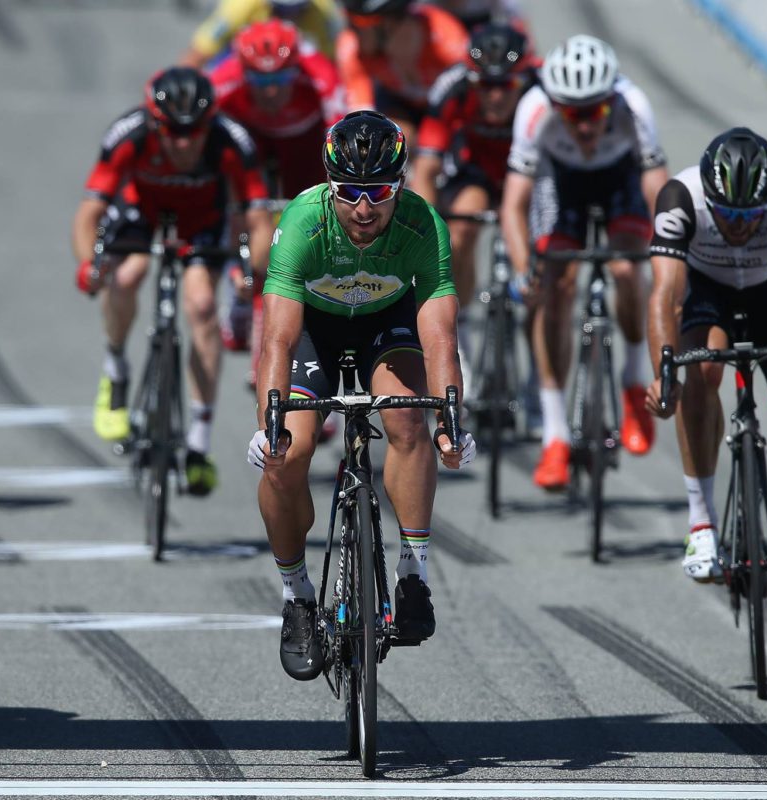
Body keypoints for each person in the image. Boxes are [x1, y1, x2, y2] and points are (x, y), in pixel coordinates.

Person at [246, 111, 474, 681]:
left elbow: (440, 335)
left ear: (400, 185)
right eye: (349, 193)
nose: (364, 209)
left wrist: (450, 420)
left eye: (378, 193)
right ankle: (297, 596)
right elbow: (276, 337)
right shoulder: (302, 221)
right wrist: (269, 423)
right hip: (314, 332)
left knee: (408, 424)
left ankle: (414, 572)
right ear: (329, 184)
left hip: (384, 325)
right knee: (287, 456)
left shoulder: (424, 226)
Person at [645, 127, 767, 591]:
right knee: (698, 376)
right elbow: (666, 298)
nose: (737, 225)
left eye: (750, 215)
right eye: (726, 213)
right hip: (707, 291)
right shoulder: (679, 196)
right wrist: (664, 374)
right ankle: (701, 526)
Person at [71, 67, 274, 497]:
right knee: (126, 276)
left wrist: (248, 269)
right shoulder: (129, 135)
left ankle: (198, 445)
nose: (184, 143)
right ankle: (116, 368)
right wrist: (90, 265)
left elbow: (257, 218)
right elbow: (89, 213)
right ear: (154, 123)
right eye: (172, 133)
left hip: (204, 218)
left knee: (201, 306)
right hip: (140, 211)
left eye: (194, 132)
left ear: (209, 124)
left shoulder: (231, 142)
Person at [500, 34, 669, 490]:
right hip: (563, 183)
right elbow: (514, 205)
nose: (586, 125)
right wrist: (523, 272)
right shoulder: (534, 109)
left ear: (610, 100)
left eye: (595, 111)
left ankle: (634, 382)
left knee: (626, 269)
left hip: (619, 182)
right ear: (555, 105)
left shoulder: (634, 104)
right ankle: (555, 433)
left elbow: (658, 189)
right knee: (556, 287)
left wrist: (670, 259)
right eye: (573, 114)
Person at [411, 22, 537, 408]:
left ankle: (537, 377)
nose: (496, 97)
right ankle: (459, 334)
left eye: (506, 87)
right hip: (478, 171)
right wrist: (423, 236)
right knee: (460, 226)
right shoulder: (451, 89)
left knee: (543, 265)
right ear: (472, 80)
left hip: (531, 174)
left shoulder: (543, 89)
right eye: (487, 86)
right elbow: (426, 171)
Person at [209, 20, 345, 370]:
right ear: (243, 72)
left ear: (296, 69)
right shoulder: (223, 80)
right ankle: (238, 279)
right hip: (249, 140)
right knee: (236, 203)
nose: (270, 91)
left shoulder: (321, 77)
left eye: (280, 80)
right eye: (260, 81)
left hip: (302, 143)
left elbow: (343, 138)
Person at [334, 0, 468, 144]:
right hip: (399, 104)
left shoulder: (447, 39)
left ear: (388, 24)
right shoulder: (352, 48)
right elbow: (360, 116)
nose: (350, 34)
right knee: (386, 139)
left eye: (355, 27)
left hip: (447, 108)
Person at [182, 0, 344, 68]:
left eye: (296, 11)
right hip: (241, 65)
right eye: (281, 11)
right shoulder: (240, 5)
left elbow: (332, 63)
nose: (288, 18)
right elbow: (200, 51)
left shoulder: (324, 12)